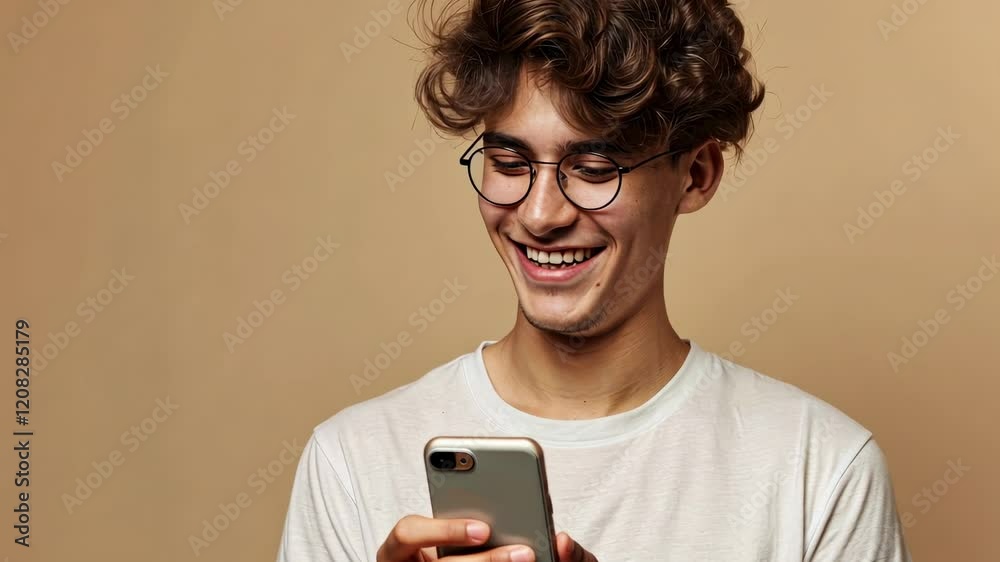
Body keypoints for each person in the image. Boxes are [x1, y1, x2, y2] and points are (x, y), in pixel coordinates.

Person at [276, 0, 912, 560]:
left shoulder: (821, 471)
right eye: (508, 161)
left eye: (595, 165)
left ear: (696, 175)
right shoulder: (350, 462)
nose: (540, 214)